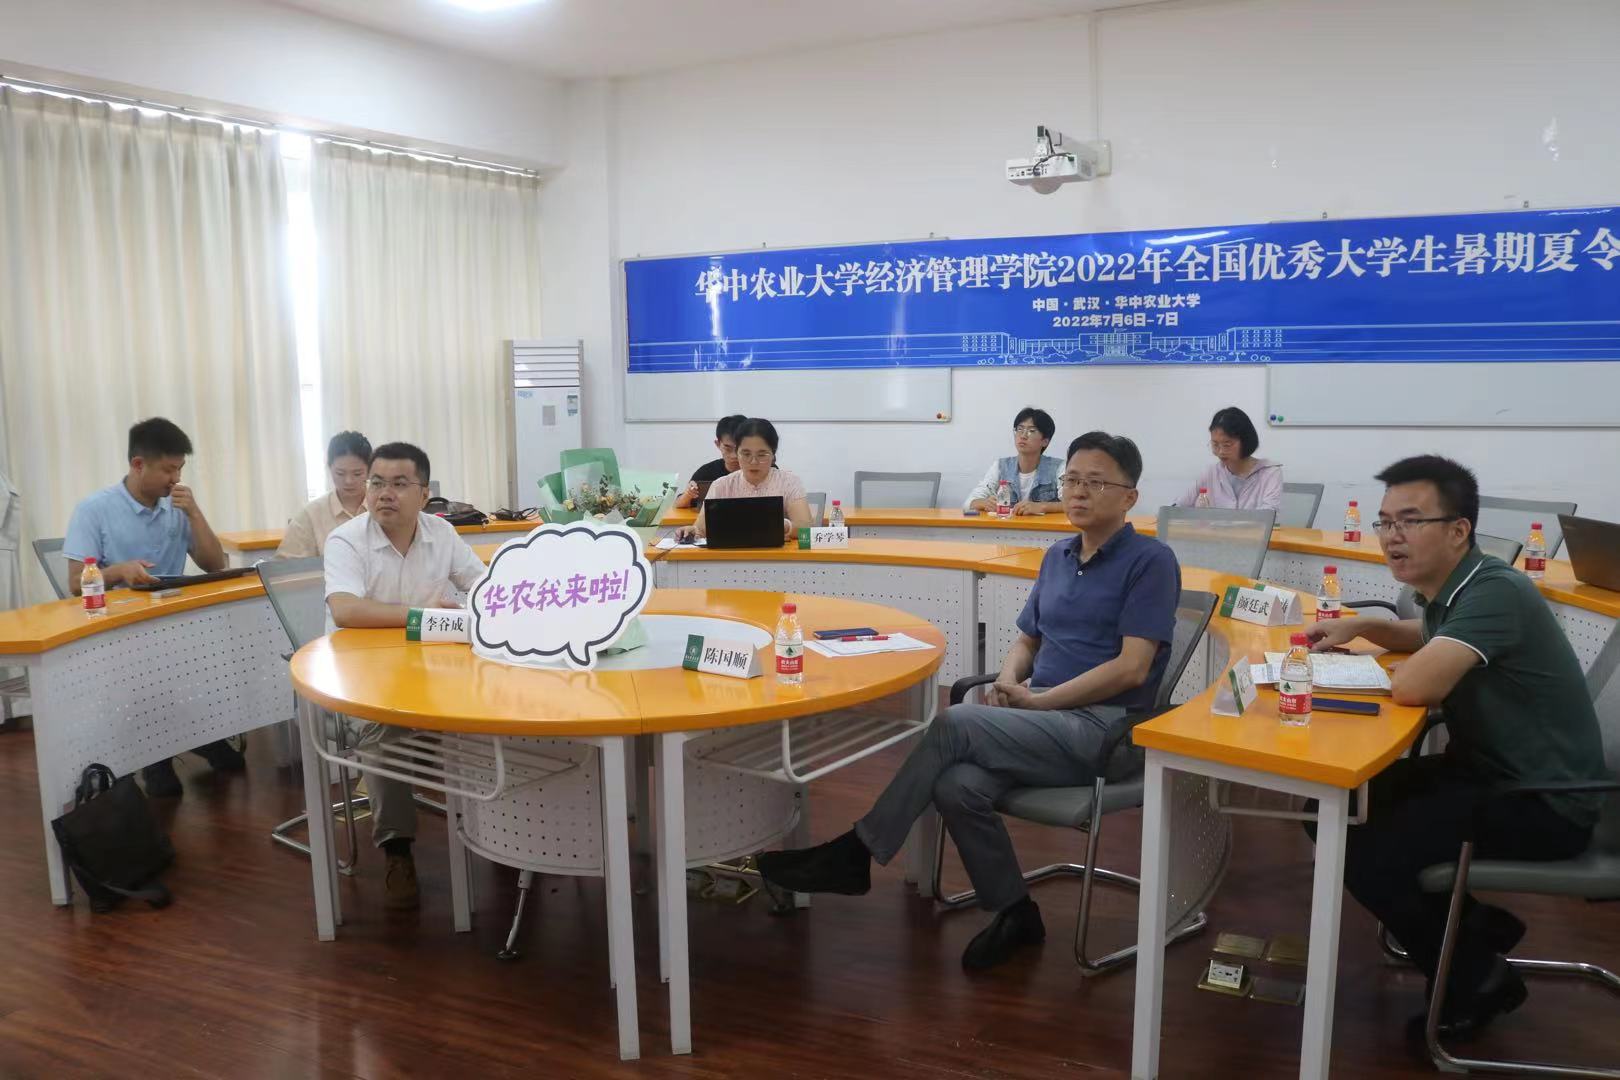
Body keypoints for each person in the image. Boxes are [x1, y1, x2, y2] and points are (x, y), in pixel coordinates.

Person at [758, 432, 1181, 972]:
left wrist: (1039, 704)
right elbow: (1028, 640)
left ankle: (857, 853)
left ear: (1129, 497)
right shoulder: (1058, 556)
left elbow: (1132, 667)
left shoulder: (1151, 561)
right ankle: (1015, 911)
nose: (1078, 491)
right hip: (1043, 719)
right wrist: (1007, 682)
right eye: (1072, 479)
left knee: (955, 721)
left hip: (1105, 731)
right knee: (956, 785)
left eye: (1095, 482)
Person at [1305, 455, 1604, 1045]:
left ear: (1458, 529)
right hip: (1492, 772)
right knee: (1332, 807)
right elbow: (1425, 636)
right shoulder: (1461, 587)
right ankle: (1475, 929)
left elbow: (1416, 685)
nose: (1392, 536)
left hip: (1547, 800)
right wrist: (1361, 626)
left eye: (1410, 521)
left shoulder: (1496, 592)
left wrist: (1385, 659)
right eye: (1385, 521)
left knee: (1368, 850)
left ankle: (1478, 979)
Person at [324, 441, 487, 910]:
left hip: (433, 674)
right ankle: (397, 849)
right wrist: (422, 616)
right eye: (376, 483)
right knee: (385, 730)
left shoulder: (442, 533)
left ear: (424, 493)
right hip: (364, 680)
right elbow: (346, 610)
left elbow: (483, 587)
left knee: (496, 703)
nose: (384, 494)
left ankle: (500, 828)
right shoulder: (346, 540)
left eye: (399, 484)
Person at [63, 417, 238, 797]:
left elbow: (215, 564)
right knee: (154, 680)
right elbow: (75, 582)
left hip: (173, 622)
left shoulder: (177, 506)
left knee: (222, 654)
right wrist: (118, 571)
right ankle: (158, 758)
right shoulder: (94, 509)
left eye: (180, 469)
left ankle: (203, 734)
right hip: (117, 632)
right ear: (138, 464)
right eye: (168, 469)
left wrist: (194, 514)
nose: (176, 479)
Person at [677, 418, 813, 543]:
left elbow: (806, 528)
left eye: (762, 455)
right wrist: (691, 531)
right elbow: (700, 530)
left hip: (777, 557)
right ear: (737, 452)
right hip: (730, 557)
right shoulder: (721, 485)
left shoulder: (789, 482)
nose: (753, 462)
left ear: (773, 454)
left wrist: (785, 526)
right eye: (746, 454)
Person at [275, 431, 373, 558]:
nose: (348, 481)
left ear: (370, 471)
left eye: (357, 474)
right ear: (329, 468)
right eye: (340, 473)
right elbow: (286, 564)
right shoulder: (311, 514)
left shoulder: (385, 506)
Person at [1175, 406, 1283, 510]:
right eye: (1215, 444)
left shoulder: (1270, 473)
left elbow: (1269, 514)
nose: (1220, 452)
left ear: (1245, 441)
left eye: (1227, 445)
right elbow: (1178, 506)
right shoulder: (1211, 473)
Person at [963, 407, 1064, 515]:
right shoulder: (1001, 466)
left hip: (1043, 526)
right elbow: (968, 503)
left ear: (1045, 441)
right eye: (1020, 429)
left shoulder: (1059, 467)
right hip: (1007, 525)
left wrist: (1042, 506)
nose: (1023, 436)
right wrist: (984, 503)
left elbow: (1071, 504)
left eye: (1031, 431)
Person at [674, 414, 747, 509]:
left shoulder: (761, 470)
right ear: (718, 444)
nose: (734, 455)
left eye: (739, 448)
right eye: (728, 448)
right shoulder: (706, 472)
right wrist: (688, 494)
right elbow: (679, 504)